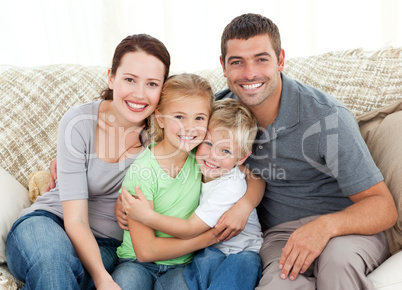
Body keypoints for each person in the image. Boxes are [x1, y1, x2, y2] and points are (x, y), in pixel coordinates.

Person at [214, 13, 398, 290]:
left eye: (261, 59)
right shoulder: (218, 114)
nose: (250, 73)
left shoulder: (327, 118)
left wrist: (324, 227)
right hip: (280, 235)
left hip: (346, 227)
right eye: (237, 62)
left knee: (337, 263)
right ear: (223, 66)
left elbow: (383, 207)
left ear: (280, 60)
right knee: (279, 284)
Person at [6, 33, 171, 290]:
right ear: (111, 77)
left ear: (163, 89)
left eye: (152, 84)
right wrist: (103, 279)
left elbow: (213, 119)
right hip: (47, 224)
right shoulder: (80, 122)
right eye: (130, 79)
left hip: (106, 246)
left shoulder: (167, 135)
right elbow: (75, 220)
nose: (140, 94)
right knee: (53, 263)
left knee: (60, 278)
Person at [121, 98, 264, 289]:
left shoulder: (230, 187)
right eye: (209, 143)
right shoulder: (194, 160)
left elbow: (190, 229)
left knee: (236, 273)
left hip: (241, 253)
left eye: (226, 151)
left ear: (242, 157)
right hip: (209, 251)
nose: (213, 156)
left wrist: (148, 216)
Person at [111, 73, 219, 289]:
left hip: (181, 265)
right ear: (160, 118)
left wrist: (245, 205)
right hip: (136, 262)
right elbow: (145, 251)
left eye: (199, 118)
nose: (189, 127)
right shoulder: (143, 170)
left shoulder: (203, 158)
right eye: (179, 117)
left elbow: (246, 172)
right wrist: (205, 240)